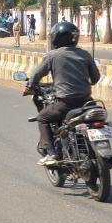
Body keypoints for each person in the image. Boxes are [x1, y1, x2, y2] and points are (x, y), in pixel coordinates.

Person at [23, 22, 100, 166]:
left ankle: (52, 153)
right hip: (87, 102)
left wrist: (29, 86)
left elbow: (37, 74)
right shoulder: (85, 54)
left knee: (42, 118)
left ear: (56, 38)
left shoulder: (53, 55)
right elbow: (95, 78)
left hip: (65, 103)